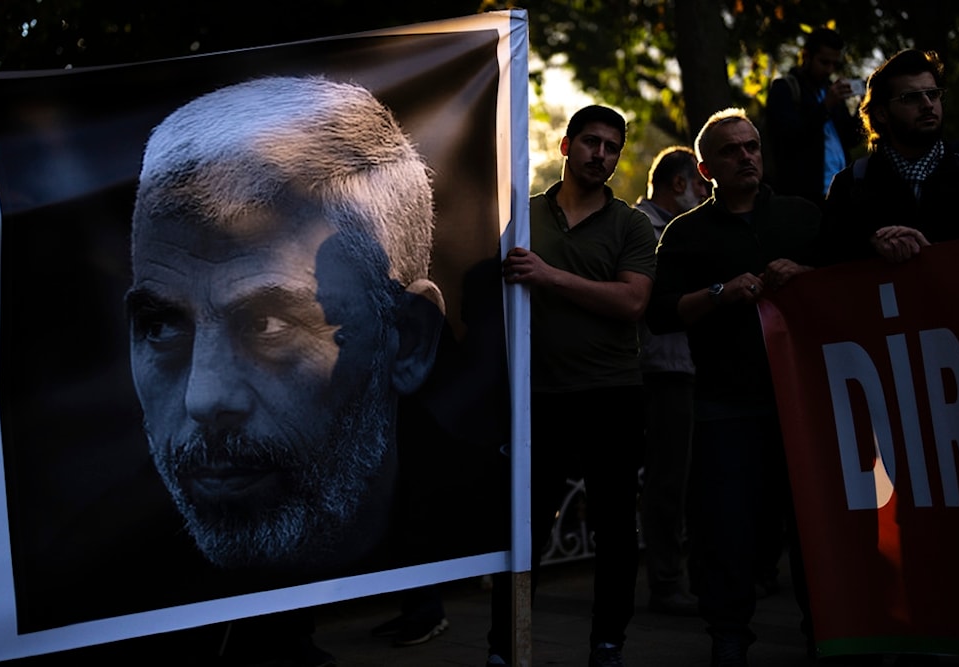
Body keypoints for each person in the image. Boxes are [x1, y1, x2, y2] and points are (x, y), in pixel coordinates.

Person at [127, 75, 448, 667]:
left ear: (407, 341)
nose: (205, 398)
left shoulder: (473, 514)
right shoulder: (97, 570)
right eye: (163, 325)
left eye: (270, 324)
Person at [647, 108, 821, 667]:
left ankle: (827, 631)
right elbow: (662, 314)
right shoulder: (686, 232)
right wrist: (720, 293)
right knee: (727, 525)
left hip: (807, 401)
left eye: (751, 146)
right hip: (725, 403)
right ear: (706, 167)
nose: (745, 156)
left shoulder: (802, 218)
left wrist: (808, 277)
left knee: (814, 525)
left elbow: (850, 287)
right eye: (731, 150)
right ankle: (728, 634)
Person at [493, 105, 657, 667]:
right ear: (566, 147)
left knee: (614, 529)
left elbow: (633, 301)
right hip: (536, 396)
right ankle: (503, 646)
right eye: (591, 142)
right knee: (525, 528)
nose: (601, 156)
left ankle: (607, 643)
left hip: (611, 393)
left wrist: (549, 276)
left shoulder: (630, 225)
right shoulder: (520, 215)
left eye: (612, 148)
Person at [633, 145, 707, 616]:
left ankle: (678, 578)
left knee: (680, 478)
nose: (704, 194)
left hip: (679, 365)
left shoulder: (666, 228)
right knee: (666, 480)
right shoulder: (646, 230)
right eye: (699, 186)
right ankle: (665, 582)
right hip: (662, 366)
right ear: (679, 184)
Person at [822, 48, 959, 265]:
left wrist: (935, 254)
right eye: (910, 98)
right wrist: (870, 244)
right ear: (881, 113)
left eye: (933, 94)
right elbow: (826, 264)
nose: (928, 105)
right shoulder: (851, 185)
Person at [765, 27, 863, 206]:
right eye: (824, 62)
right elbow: (789, 137)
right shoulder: (785, 89)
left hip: (841, 194)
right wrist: (825, 107)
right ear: (806, 56)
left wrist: (863, 108)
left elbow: (850, 138)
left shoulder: (831, 91)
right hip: (803, 198)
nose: (829, 70)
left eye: (834, 64)